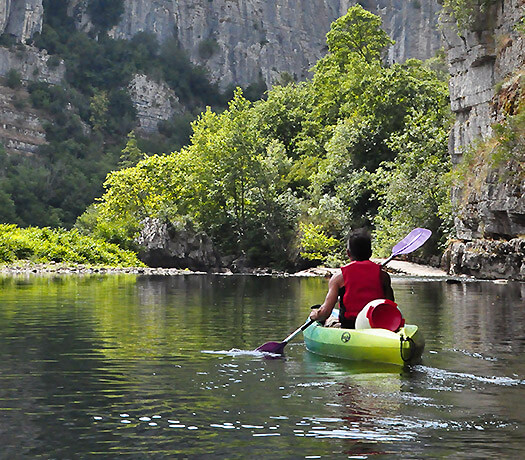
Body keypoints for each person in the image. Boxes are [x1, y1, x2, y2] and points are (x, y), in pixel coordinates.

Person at [309, 228, 394, 328]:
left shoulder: (338, 278)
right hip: (377, 326)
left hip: (350, 326)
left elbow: (325, 313)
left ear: (348, 253)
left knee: (328, 320)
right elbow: (391, 307)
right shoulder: (383, 276)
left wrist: (314, 315)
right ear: (370, 253)